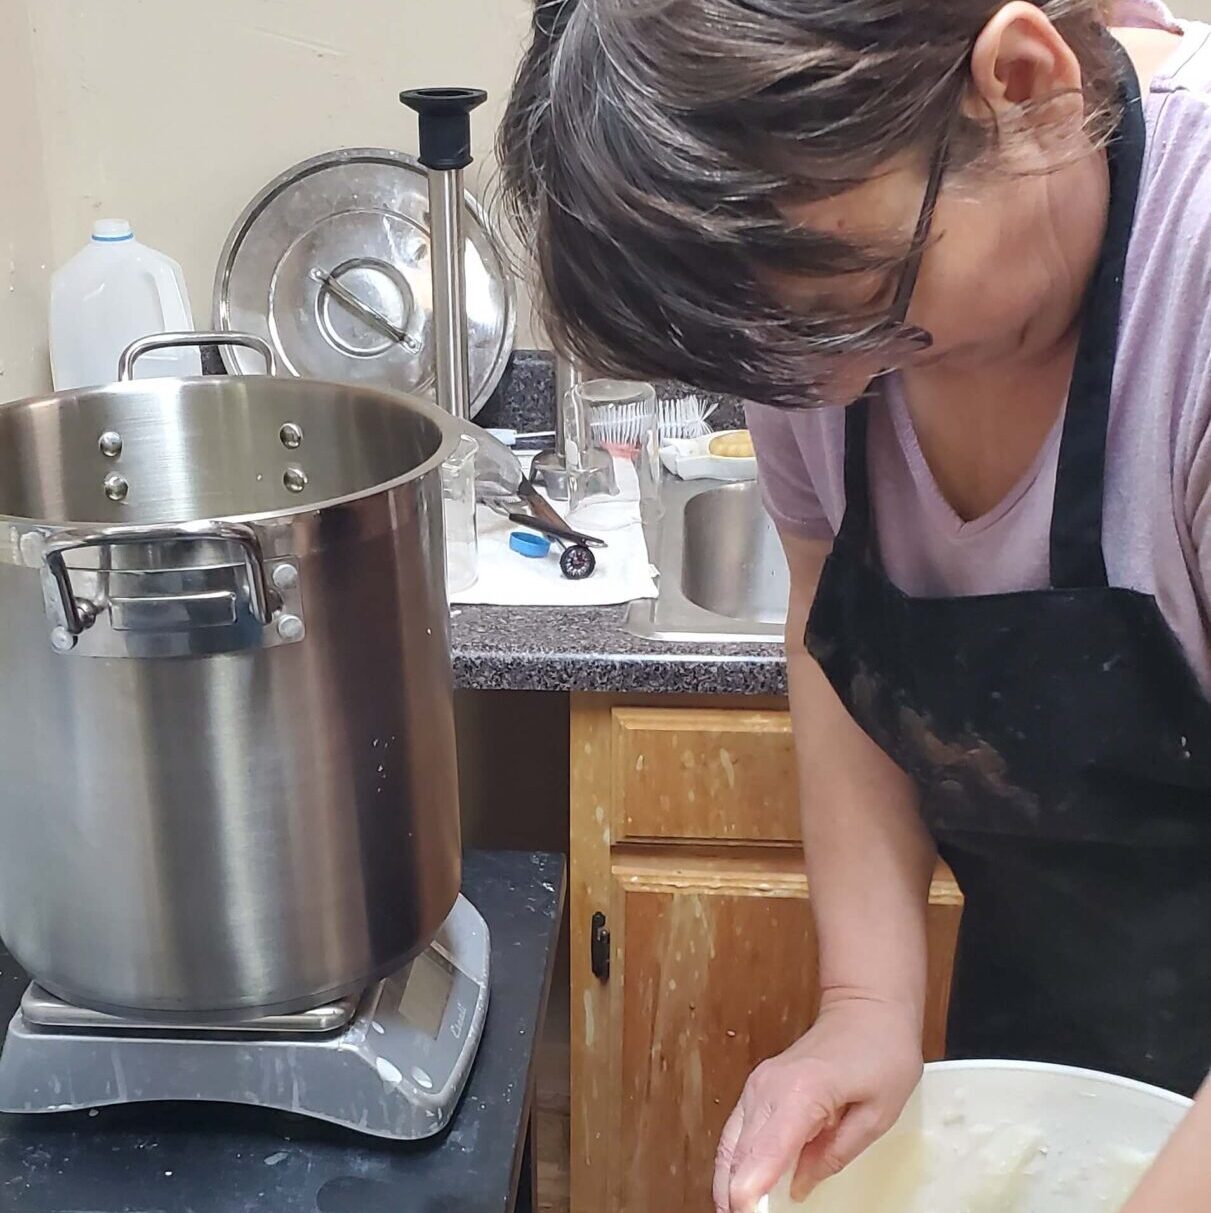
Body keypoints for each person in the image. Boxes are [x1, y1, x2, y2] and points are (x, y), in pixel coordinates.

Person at [499, 1, 1211, 1209]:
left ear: (1023, 84)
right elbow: (828, 609)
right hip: (1061, 998)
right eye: (762, 350)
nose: (812, 386)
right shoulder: (799, 317)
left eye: (850, 314)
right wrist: (865, 1007)